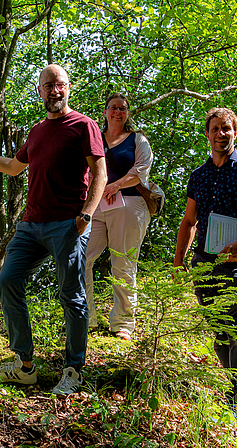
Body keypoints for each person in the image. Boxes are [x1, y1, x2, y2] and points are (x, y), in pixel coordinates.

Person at [0, 64, 107, 395]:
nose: (54, 90)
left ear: (68, 88)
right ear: (40, 91)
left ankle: (74, 370)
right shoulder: (37, 131)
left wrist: (86, 214)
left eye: (59, 84)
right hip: (31, 224)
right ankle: (25, 366)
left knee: (71, 295)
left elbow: (100, 172)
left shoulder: (83, 125)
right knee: (8, 280)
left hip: (67, 223)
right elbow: (13, 168)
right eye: (47, 85)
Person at [173, 107, 237, 420]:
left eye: (227, 129)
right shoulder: (199, 175)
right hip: (203, 263)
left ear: (236, 132)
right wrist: (179, 259)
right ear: (208, 134)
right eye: (216, 128)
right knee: (219, 331)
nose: (221, 134)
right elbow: (189, 220)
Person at [84, 94, 153, 340]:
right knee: (82, 257)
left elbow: (141, 170)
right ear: (105, 112)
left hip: (129, 204)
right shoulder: (94, 139)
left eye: (122, 108)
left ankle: (123, 323)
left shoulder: (138, 140)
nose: (117, 112)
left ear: (127, 113)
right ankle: (87, 318)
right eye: (113, 108)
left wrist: (115, 185)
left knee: (123, 262)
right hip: (95, 206)